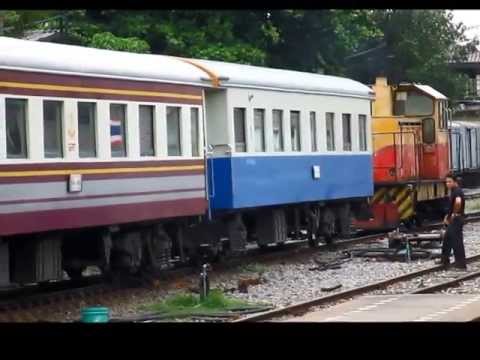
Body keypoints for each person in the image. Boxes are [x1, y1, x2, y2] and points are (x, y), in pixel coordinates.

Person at [436, 173, 467, 270]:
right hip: (455, 218)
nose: (447, 184)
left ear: (455, 182)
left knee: (457, 241)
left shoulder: (457, 191)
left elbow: (458, 202)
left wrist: (453, 214)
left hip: (457, 219)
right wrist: (447, 216)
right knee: (447, 239)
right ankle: (444, 260)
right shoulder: (454, 191)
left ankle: (461, 264)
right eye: (446, 182)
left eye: (450, 182)